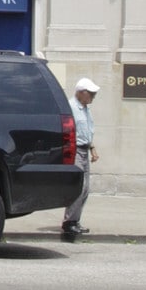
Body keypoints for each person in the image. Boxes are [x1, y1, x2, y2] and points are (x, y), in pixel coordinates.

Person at [63, 76, 98, 238]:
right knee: (78, 188)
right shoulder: (71, 108)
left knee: (85, 189)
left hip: (84, 149)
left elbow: (86, 132)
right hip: (75, 150)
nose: (92, 97)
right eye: (90, 93)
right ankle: (69, 222)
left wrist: (92, 148)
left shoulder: (85, 109)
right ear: (81, 92)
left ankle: (75, 220)